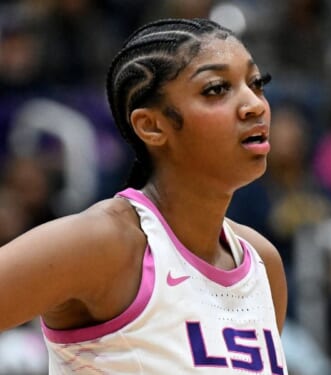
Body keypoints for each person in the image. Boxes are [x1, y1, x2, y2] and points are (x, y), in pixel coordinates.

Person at [0, 18, 288, 374]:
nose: (254, 105)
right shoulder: (104, 243)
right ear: (151, 126)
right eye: (216, 89)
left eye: (256, 84)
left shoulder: (262, 263)